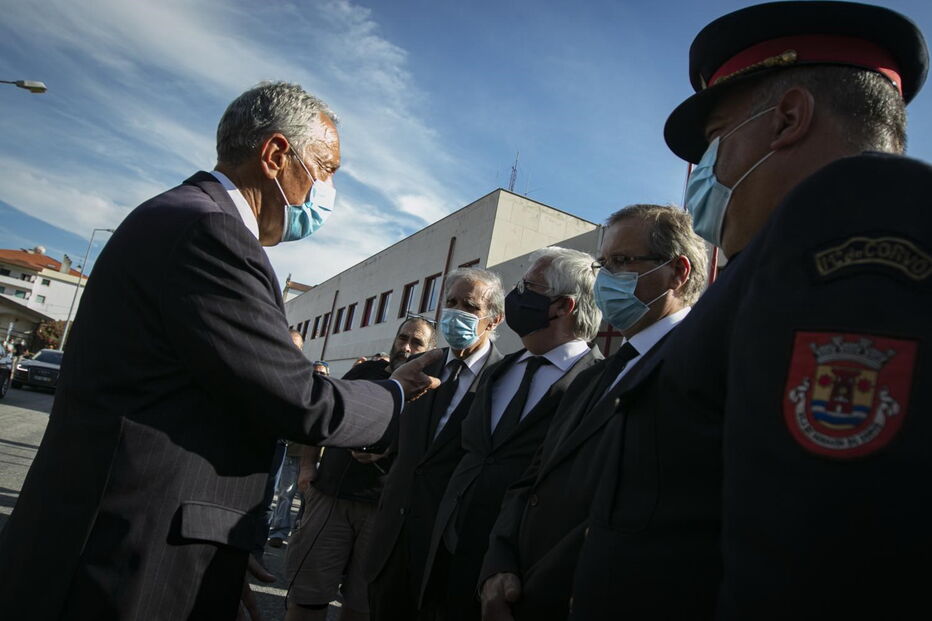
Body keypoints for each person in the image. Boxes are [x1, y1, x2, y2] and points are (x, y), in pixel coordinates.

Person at [0, 81, 440, 620]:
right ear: (277, 155)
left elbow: (209, 405)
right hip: (127, 549)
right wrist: (398, 392)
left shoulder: (183, 215)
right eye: (325, 169)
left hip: (147, 535)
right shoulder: (211, 230)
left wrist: (223, 542)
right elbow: (298, 400)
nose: (326, 191)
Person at [570, 3, 930, 619]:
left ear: (788, 119)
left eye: (714, 142)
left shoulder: (854, 223)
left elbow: (821, 569)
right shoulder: (765, 273)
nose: (703, 173)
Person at [480, 205, 708, 621]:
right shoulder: (595, 377)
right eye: (604, 264)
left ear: (678, 272)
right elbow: (534, 478)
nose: (604, 278)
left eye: (622, 262)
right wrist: (499, 562)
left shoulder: (710, 371)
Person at [419, 247, 603, 620]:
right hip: (443, 556)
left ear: (561, 306)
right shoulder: (497, 372)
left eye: (527, 286)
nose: (516, 295)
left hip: (512, 578)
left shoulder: (596, 384)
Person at [366, 268, 506, 620]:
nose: (455, 313)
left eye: (469, 306)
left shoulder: (503, 379)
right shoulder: (417, 367)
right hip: (390, 541)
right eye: (450, 303)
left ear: (494, 320)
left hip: (447, 552)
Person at [284, 316, 437, 621]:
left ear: (430, 350)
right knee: (308, 595)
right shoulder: (365, 371)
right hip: (331, 498)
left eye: (417, 342)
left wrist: (391, 447)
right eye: (402, 338)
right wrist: (306, 467)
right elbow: (324, 412)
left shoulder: (433, 389)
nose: (406, 347)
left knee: (362, 602)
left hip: (383, 511)